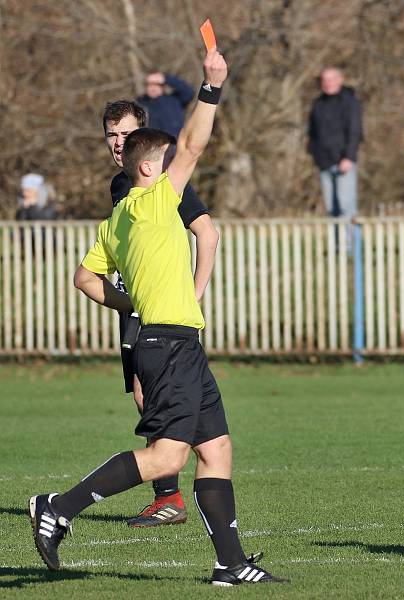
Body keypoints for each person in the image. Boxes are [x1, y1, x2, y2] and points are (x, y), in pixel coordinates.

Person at [30, 48, 284, 586]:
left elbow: (84, 279)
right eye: (166, 160)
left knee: (216, 450)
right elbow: (195, 140)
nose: (176, 163)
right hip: (169, 344)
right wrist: (211, 85)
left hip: (171, 339)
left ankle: (230, 564)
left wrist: (133, 305)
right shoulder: (154, 199)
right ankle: (59, 506)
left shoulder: (117, 218)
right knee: (168, 457)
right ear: (150, 167)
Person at [102, 99, 220, 528]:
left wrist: (195, 292)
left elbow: (207, 233)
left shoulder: (164, 183)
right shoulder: (122, 184)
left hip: (159, 313)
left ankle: (168, 496)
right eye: (112, 135)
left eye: (127, 135)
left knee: (147, 394)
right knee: (142, 395)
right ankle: (168, 494)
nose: (119, 143)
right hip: (136, 303)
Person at [307, 67, 363, 219]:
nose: (327, 83)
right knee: (332, 209)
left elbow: (355, 132)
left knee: (347, 207)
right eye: (324, 80)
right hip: (324, 162)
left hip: (343, 161)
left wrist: (349, 157)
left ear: (340, 80)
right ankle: (337, 243)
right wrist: (314, 154)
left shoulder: (350, 102)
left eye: (331, 79)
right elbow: (312, 132)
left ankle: (351, 243)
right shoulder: (318, 104)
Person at [137, 71, 195, 137]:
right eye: (150, 84)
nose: (153, 87)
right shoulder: (140, 103)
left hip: (174, 143)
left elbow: (189, 91)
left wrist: (166, 79)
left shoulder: (174, 100)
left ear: (163, 86)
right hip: (150, 144)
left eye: (156, 84)